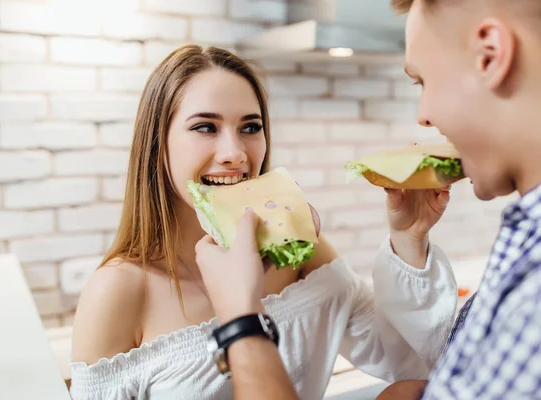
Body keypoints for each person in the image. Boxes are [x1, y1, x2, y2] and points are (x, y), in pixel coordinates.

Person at [196, 0, 541, 397]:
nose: (423, 115)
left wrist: (241, 321)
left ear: (490, 55)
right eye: (204, 127)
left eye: (422, 81)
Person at [69, 44, 459, 399]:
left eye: (250, 128)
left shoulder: (300, 252)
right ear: (158, 146)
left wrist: (409, 238)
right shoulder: (118, 291)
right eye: (205, 127)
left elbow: (412, 362)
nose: (235, 153)